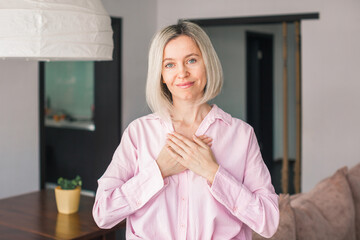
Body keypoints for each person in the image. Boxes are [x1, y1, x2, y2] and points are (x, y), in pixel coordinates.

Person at [93, 21, 279, 239]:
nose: (182, 73)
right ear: (160, 74)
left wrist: (212, 172)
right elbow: (103, 214)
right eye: (169, 64)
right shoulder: (138, 133)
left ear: (207, 63)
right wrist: (158, 171)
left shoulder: (241, 135)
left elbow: (269, 222)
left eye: (191, 60)